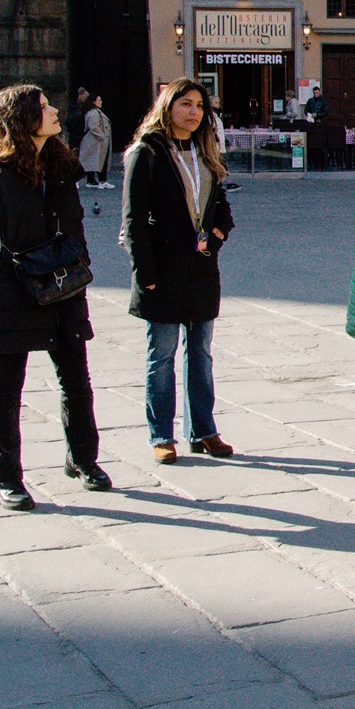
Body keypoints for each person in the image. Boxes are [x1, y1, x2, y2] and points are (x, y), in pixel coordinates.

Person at [0, 85, 109, 511]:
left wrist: (78, 265)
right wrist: (6, 270)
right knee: (8, 388)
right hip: (14, 295)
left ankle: (84, 460)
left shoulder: (58, 165)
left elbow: (73, 226)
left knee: (77, 381)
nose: (55, 111)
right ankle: (6, 477)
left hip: (62, 288)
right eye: (44, 107)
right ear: (22, 120)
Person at [122, 79, 237, 465]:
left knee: (200, 353)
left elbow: (219, 204)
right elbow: (132, 218)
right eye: (185, 104)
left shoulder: (205, 151)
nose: (194, 112)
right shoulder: (148, 152)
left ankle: (203, 430)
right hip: (163, 269)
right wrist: (145, 272)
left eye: (200, 107)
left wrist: (218, 233)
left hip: (201, 267)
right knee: (163, 355)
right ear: (167, 106)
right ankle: (161, 435)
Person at [78, 93, 113, 188]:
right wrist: (102, 136)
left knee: (92, 161)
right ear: (94, 102)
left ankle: (91, 180)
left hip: (95, 141)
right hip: (96, 141)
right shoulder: (94, 113)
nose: (101, 102)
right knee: (99, 161)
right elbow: (94, 127)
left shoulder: (93, 112)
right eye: (99, 100)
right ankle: (102, 181)